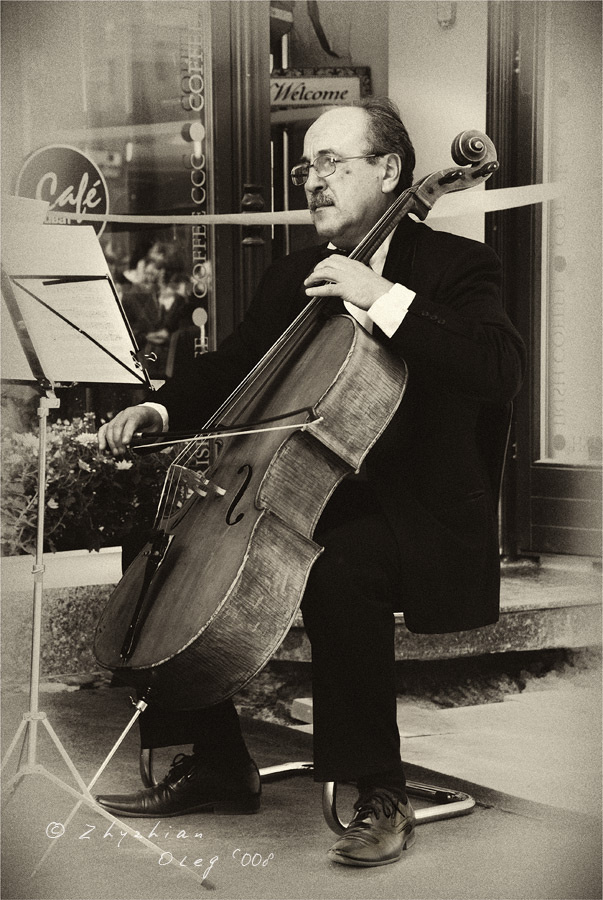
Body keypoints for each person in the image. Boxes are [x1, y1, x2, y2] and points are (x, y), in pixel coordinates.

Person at [96, 98, 525, 867]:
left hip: (412, 512)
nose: (312, 180)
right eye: (304, 168)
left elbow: (497, 368)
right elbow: (236, 367)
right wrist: (159, 407)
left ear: (389, 170)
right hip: (302, 493)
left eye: (331, 162)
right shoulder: (293, 275)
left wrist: (379, 295)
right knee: (158, 541)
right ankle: (218, 761)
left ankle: (380, 792)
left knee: (338, 569)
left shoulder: (456, 266)